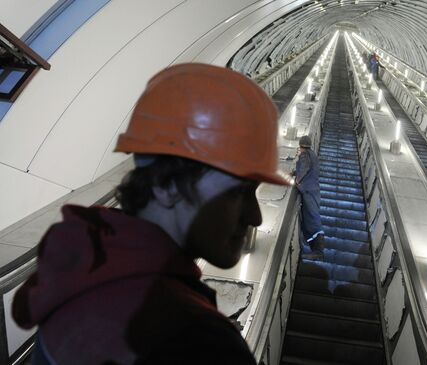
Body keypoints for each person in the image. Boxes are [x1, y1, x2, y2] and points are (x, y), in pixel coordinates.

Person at [12, 64, 290, 364]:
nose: (256, 217)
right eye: (238, 192)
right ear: (166, 185)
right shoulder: (198, 341)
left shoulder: (73, 278)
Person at [294, 135, 325, 260]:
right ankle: (314, 249)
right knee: (310, 218)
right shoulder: (312, 154)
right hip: (313, 190)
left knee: (313, 218)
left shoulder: (305, 154)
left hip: (308, 190)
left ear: (301, 146)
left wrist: (297, 180)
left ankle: (319, 251)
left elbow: (305, 167)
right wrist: (294, 172)